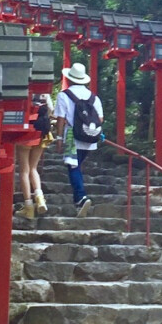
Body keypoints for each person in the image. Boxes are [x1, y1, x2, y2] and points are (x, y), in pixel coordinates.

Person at [53, 61, 103, 218]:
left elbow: (60, 119)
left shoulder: (64, 95)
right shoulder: (94, 97)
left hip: (71, 136)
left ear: (70, 78)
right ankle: (78, 200)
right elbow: (100, 118)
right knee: (77, 164)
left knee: (73, 167)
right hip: (89, 137)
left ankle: (81, 198)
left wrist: (59, 138)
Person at [16, 93, 54, 222]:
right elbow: (50, 110)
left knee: (24, 170)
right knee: (33, 168)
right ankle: (40, 197)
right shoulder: (45, 93)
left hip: (25, 131)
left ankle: (28, 206)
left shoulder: (23, 91)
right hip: (41, 132)